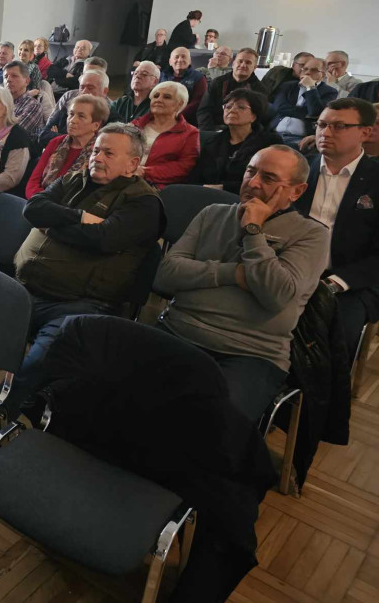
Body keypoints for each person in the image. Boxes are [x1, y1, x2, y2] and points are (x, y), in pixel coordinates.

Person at [0, 123, 165, 473]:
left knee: (35, 364)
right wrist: (79, 218)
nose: (96, 158)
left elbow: (104, 239)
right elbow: (33, 209)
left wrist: (57, 224)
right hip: (27, 288)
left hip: (82, 304)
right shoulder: (76, 180)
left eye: (108, 153)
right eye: (95, 150)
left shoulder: (144, 203)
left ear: (133, 164)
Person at [154, 146, 329, 421]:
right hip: (179, 329)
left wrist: (253, 231)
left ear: (296, 191)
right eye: (250, 171)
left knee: (214, 424)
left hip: (250, 352)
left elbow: (277, 295)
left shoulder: (312, 235)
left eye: (269, 178)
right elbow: (166, 274)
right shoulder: (213, 213)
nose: (253, 182)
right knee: (118, 391)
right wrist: (234, 274)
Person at [294, 98, 378, 359]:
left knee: (334, 333)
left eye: (339, 126)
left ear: (365, 132)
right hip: (290, 269)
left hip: (350, 281)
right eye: (321, 124)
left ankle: (317, 396)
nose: (325, 133)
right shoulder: (297, 168)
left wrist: (336, 283)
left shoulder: (375, 178)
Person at [189, 88, 283, 193]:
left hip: (249, 197)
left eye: (241, 107)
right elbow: (195, 177)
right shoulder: (213, 141)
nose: (232, 110)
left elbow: (268, 180)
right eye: (228, 107)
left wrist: (223, 188)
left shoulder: (269, 142)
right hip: (208, 196)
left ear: (253, 116)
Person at [26, 94, 109, 197]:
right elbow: (33, 181)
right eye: (71, 114)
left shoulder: (100, 152)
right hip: (39, 201)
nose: (72, 120)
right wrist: (38, 201)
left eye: (81, 116)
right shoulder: (56, 142)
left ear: (95, 125)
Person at [131, 81, 201, 187]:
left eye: (167, 97)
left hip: (157, 186)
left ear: (180, 104)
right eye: (156, 96)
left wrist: (145, 171)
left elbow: (183, 166)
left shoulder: (190, 133)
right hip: (125, 176)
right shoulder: (135, 125)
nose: (159, 100)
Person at [37, 68, 113, 149]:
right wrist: (72, 137)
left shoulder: (109, 116)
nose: (84, 91)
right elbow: (43, 136)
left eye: (90, 88)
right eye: (82, 87)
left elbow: (100, 145)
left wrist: (57, 136)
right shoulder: (68, 107)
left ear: (104, 91)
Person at [271, 57, 338, 148]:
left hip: (301, 139)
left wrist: (310, 88)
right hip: (274, 133)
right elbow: (279, 108)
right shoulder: (288, 86)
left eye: (314, 70)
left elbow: (316, 112)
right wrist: (306, 113)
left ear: (322, 75)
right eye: (305, 69)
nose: (307, 73)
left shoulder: (329, 91)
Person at [198, 47, 266, 130]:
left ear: (254, 67)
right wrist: (209, 133)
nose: (243, 65)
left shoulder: (259, 89)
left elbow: (258, 118)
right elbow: (204, 110)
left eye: (248, 62)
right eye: (240, 61)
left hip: (243, 132)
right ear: (233, 64)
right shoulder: (217, 82)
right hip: (214, 128)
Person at [3, 60, 47, 144]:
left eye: (14, 76)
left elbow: (12, 135)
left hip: (15, 152)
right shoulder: (0, 102)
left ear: (26, 81)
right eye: (5, 77)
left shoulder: (33, 106)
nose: (8, 80)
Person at [161, 47, 206, 123]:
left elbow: (198, 101)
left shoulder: (199, 78)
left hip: (187, 121)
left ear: (190, 61)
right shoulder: (161, 76)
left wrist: (176, 114)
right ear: (170, 61)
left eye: (183, 57)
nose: (180, 60)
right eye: (176, 57)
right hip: (162, 118)